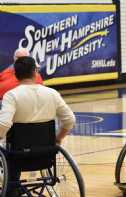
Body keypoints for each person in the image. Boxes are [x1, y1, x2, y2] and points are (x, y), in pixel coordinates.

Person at [0, 56, 76, 196]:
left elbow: (4, 124)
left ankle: (12, 190)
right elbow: (69, 120)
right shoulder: (52, 93)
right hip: (46, 154)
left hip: (18, 156)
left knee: (5, 146)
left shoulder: (11, 96)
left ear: (15, 75)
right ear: (35, 72)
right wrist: (58, 138)